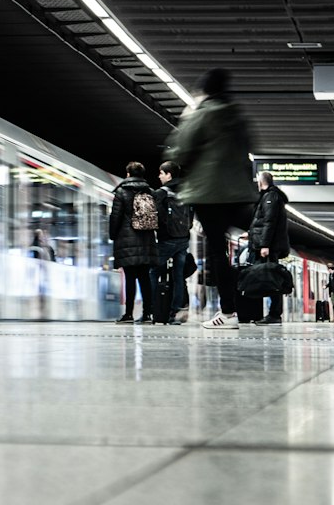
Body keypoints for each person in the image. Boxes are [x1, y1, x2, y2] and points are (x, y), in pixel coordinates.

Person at [165, 68, 254, 329]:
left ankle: (228, 313)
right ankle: (230, 311)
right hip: (237, 194)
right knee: (221, 252)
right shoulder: (238, 117)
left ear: (204, 90)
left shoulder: (203, 114)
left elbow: (179, 151)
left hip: (210, 193)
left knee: (217, 253)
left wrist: (187, 114)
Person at [109, 160, 159, 323]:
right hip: (146, 239)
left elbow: (115, 216)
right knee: (144, 277)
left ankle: (128, 314)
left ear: (128, 174)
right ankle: (148, 313)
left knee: (130, 277)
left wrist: (113, 235)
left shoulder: (122, 192)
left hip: (127, 239)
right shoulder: (150, 192)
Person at [247, 170, 290, 325]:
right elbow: (262, 222)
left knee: (272, 280)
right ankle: (269, 313)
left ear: (261, 181)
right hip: (264, 243)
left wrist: (264, 244)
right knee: (267, 278)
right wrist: (251, 234)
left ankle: (274, 314)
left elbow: (269, 221)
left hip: (268, 247)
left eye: (257, 180)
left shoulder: (270, 197)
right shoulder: (269, 196)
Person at [154, 160, 191, 325]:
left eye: (161, 173)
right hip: (183, 239)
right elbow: (191, 216)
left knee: (153, 272)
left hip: (166, 239)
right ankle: (174, 314)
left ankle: (153, 310)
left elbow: (157, 217)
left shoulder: (161, 193)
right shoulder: (187, 192)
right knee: (178, 277)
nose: (159, 176)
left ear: (169, 175)